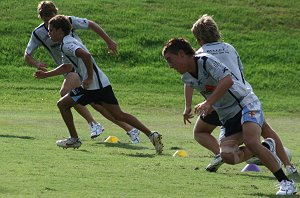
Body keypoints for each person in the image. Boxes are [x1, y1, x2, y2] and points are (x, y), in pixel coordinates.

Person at [162, 38, 297, 195]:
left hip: (245, 103)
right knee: (227, 156)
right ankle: (267, 147)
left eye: (170, 60)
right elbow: (207, 88)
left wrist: (209, 103)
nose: (170, 66)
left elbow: (227, 81)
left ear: (181, 54)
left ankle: (286, 183)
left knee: (251, 141)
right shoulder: (186, 77)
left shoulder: (206, 60)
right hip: (227, 115)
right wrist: (201, 105)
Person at [184, 14, 298, 174]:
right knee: (266, 130)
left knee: (200, 132)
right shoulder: (230, 48)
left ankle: (222, 153)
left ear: (198, 37)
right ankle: (289, 166)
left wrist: (191, 105)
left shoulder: (199, 54)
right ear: (216, 32)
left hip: (220, 103)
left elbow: (192, 81)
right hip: (245, 98)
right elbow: (239, 74)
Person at [34, 15, 163, 154]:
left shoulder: (67, 44)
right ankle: (152, 135)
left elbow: (86, 56)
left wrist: (88, 77)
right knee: (119, 115)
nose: (49, 33)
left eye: (51, 30)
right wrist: (46, 75)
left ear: (60, 31)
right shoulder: (68, 41)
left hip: (91, 87)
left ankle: (74, 139)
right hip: (102, 83)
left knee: (62, 104)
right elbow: (67, 67)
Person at [24, 1, 140, 143]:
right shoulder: (39, 33)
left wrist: (108, 41)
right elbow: (27, 55)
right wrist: (37, 63)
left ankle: (91, 126)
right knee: (98, 104)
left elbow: (91, 24)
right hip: (69, 68)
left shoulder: (67, 22)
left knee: (65, 95)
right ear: (41, 18)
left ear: (56, 13)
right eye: (45, 21)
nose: (49, 24)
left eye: (51, 19)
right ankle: (130, 129)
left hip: (79, 68)